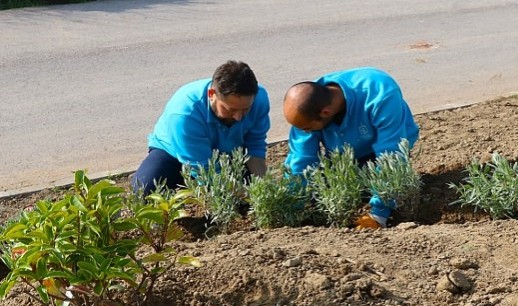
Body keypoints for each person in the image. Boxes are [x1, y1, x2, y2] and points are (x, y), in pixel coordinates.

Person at [282, 67, 419, 229]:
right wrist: (290, 207)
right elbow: (301, 159)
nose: (304, 131)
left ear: (326, 112)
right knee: (327, 193)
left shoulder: (378, 92)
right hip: (344, 154)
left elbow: (391, 154)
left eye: (306, 128)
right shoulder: (306, 106)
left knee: (386, 189)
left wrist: (379, 214)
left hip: (381, 149)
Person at [131, 60, 270, 195]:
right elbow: (204, 170)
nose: (238, 117)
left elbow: (255, 146)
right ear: (211, 94)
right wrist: (247, 195)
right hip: (175, 154)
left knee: (253, 190)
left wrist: (264, 189)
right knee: (144, 189)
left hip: (227, 154)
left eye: (245, 109)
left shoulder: (259, 99)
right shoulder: (184, 113)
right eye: (230, 109)